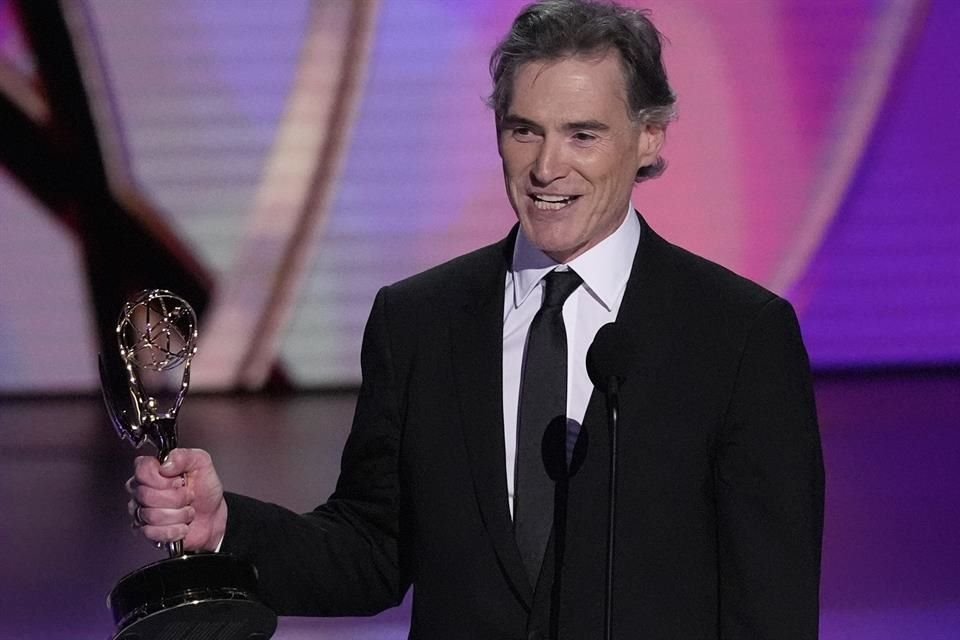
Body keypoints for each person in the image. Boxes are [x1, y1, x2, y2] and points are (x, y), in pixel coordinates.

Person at [128, 1, 824, 638]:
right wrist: (226, 526)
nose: (548, 167)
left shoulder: (737, 337)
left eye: (583, 134)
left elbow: (771, 609)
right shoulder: (419, 324)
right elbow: (372, 550)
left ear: (649, 138)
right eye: (526, 130)